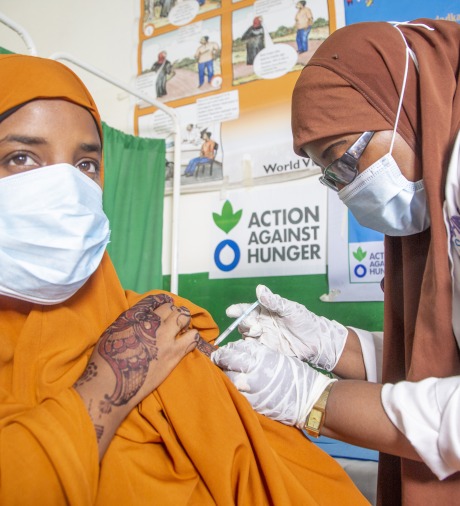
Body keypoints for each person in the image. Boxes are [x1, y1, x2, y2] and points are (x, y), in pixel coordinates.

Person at [0, 53, 370, 504]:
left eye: (85, 165)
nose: (64, 189)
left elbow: (279, 472)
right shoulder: (145, 343)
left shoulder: (154, 323)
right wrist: (107, 388)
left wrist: (331, 359)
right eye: (21, 157)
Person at [211, 19, 460, 506]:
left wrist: (311, 398)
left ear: (406, 106)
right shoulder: (434, 190)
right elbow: (440, 352)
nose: (346, 187)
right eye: (330, 176)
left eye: (343, 159)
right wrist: (328, 343)